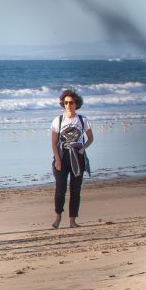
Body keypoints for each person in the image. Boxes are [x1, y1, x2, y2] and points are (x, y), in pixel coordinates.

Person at [50, 90, 94, 229]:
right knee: (60, 189)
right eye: (66, 102)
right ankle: (58, 217)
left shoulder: (83, 120)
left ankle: (72, 220)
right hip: (62, 157)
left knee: (75, 190)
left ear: (76, 104)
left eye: (71, 102)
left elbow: (91, 138)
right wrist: (57, 159)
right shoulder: (58, 120)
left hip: (77, 157)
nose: (68, 105)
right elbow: (54, 143)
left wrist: (82, 149)